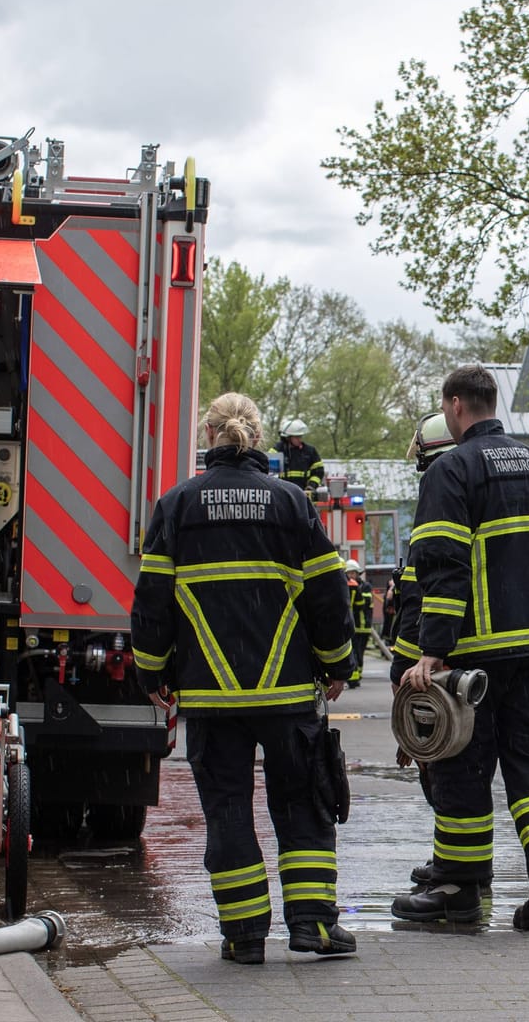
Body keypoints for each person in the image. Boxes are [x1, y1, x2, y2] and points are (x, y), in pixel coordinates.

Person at [131, 392, 358, 964]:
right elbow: (328, 594)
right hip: (286, 694)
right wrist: (338, 664)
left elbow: (152, 599)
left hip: (209, 696)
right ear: (257, 437)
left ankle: (244, 935)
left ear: (209, 434)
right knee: (302, 805)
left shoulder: (177, 504)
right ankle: (313, 927)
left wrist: (150, 670)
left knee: (228, 809)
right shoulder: (289, 502)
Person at [392, 365, 529, 933]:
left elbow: (443, 568)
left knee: (463, 767)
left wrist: (433, 650)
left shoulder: (451, 470)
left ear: (454, 406)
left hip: (472, 657)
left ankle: (458, 892)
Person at [388, 411, 472, 891]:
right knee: (453, 770)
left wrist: (404, 676)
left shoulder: (440, 492)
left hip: (431, 659)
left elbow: (421, 598)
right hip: (469, 652)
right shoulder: (472, 487)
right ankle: (452, 861)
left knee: (438, 766)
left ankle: (453, 868)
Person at [274, 419, 325, 495]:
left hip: (304, 493)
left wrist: (311, 485)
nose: (300, 439)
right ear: (288, 438)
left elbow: (319, 472)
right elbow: (269, 472)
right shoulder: (276, 450)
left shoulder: (310, 451)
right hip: (282, 493)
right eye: (297, 437)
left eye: (300, 436)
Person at [346, 559, 373, 689]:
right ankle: (356, 676)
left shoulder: (365, 586)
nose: (351, 576)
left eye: (353, 573)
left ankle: (358, 675)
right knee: (355, 651)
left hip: (363, 625)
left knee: (359, 652)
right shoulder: (351, 585)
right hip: (354, 625)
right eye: (349, 573)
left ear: (357, 573)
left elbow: (364, 604)